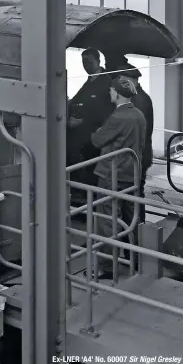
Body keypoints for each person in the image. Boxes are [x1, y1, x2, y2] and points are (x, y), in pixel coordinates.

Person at [86, 75, 146, 279]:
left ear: (118, 94)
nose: (110, 93)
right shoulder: (138, 115)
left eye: (111, 90)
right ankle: (136, 259)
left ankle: (107, 267)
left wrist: (97, 131)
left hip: (111, 174)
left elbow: (97, 140)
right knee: (132, 218)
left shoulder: (117, 117)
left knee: (107, 221)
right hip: (132, 175)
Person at [118, 63, 154, 223]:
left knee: (134, 195)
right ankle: (137, 228)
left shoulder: (138, 101)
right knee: (135, 193)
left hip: (136, 156)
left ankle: (135, 230)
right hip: (140, 155)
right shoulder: (141, 98)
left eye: (124, 81)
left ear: (134, 81)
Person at [67, 48, 114, 167]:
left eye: (89, 62)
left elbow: (106, 111)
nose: (86, 66)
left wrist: (82, 121)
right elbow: (77, 101)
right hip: (81, 138)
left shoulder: (107, 83)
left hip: (93, 139)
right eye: (84, 63)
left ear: (98, 61)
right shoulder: (89, 81)